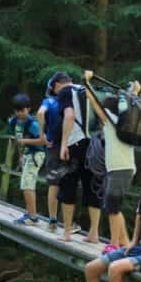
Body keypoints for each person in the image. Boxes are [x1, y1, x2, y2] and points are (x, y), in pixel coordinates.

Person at [81, 70, 140, 252]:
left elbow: (93, 101)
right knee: (114, 206)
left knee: (113, 207)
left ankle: (114, 244)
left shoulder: (110, 121)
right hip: (123, 168)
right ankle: (125, 243)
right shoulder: (126, 121)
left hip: (119, 169)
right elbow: (132, 100)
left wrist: (86, 81)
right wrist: (135, 90)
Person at [55, 73, 102, 243]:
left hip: (75, 144)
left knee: (68, 185)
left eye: (54, 89)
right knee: (93, 187)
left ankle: (67, 232)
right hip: (95, 146)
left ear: (58, 84)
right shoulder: (87, 89)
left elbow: (69, 115)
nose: (55, 94)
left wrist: (63, 144)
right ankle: (94, 234)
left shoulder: (65, 91)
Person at [7, 93, 47, 225]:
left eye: (22, 110)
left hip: (36, 154)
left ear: (28, 109)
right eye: (17, 110)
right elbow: (17, 140)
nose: (20, 113)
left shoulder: (33, 123)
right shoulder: (14, 122)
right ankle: (30, 213)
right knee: (26, 184)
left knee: (27, 185)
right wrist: (20, 156)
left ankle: (33, 217)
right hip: (26, 155)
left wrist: (25, 141)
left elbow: (43, 141)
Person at [37, 72, 69, 231]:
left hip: (53, 146)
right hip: (70, 146)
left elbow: (40, 113)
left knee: (54, 183)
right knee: (68, 183)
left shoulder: (48, 101)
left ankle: (53, 221)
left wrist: (42, 135)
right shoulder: (70, 101)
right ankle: (67, 223)